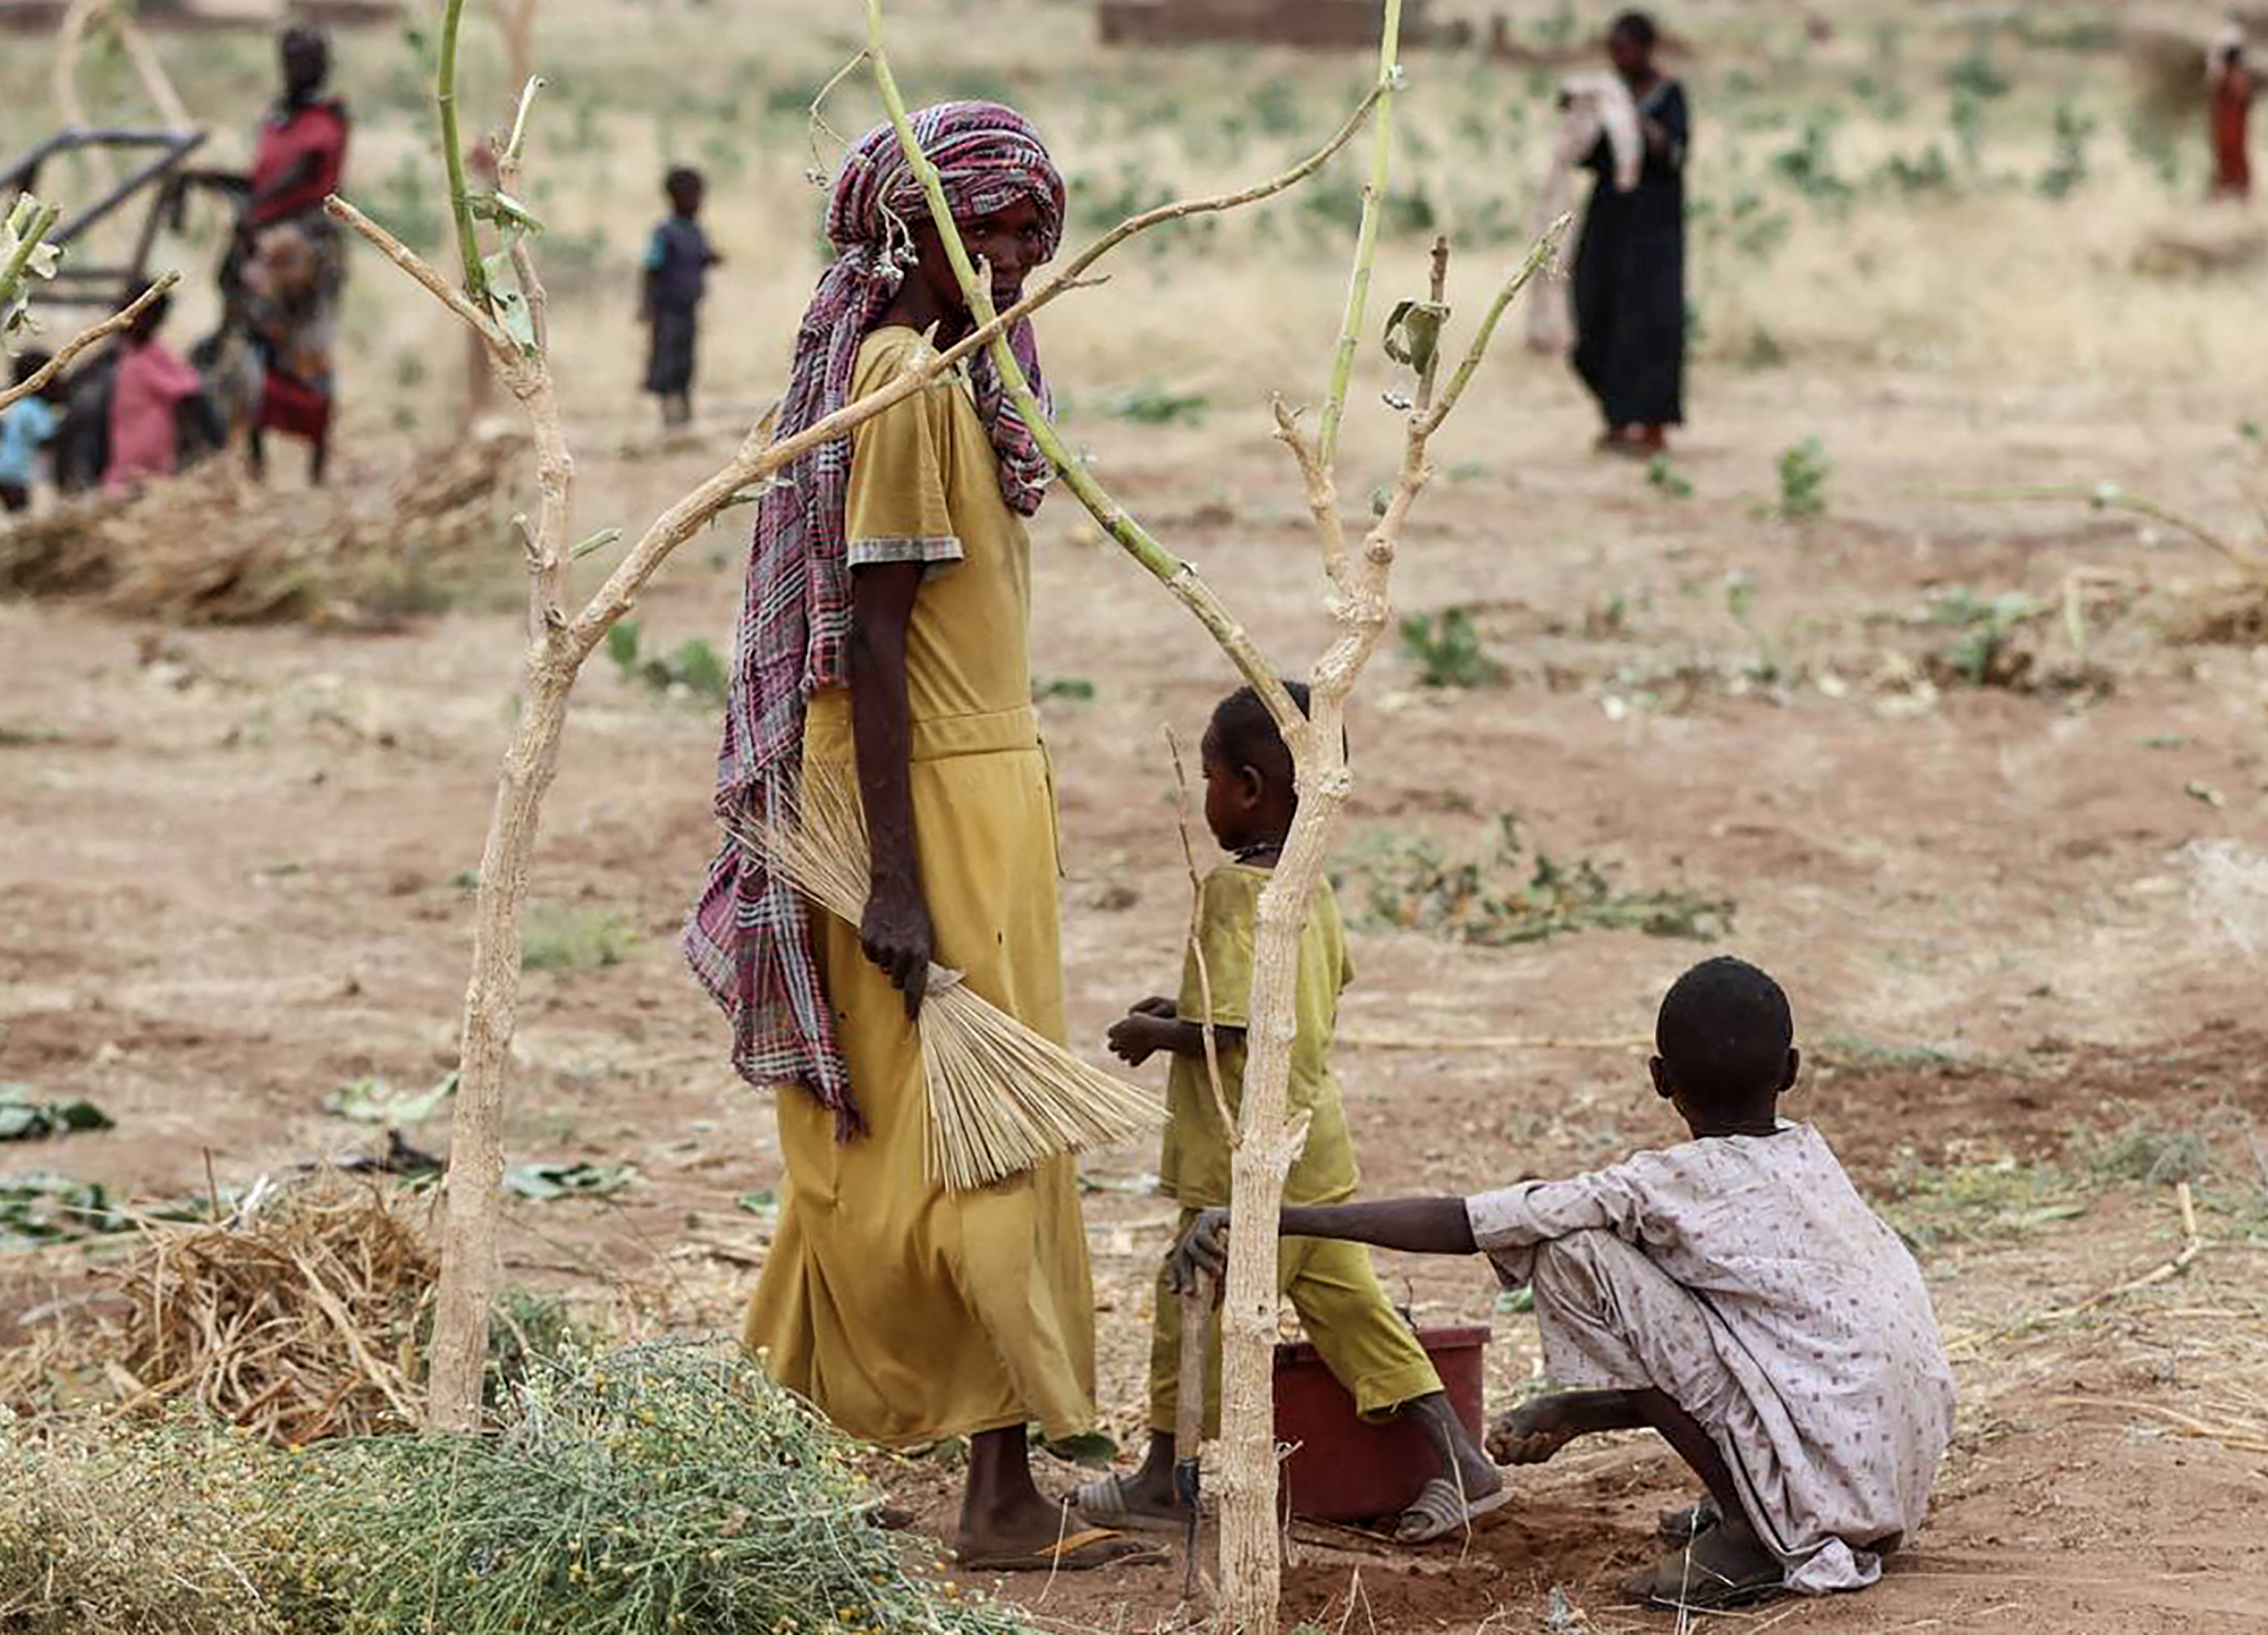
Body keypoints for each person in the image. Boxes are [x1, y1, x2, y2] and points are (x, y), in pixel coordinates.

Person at [683, 103, 1153, 1574]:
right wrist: (895, 877)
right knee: (969, 1139)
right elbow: (875, 644)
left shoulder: (957, 370)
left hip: (976, 784)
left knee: (889, 1144)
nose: (1017, 253)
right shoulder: (901, 384)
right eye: (988, 227)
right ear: (912, 234)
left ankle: (752, 1453)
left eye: (1029, 229)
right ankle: (1000, 1493)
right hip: (922, 799)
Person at [1174, 957, 1955, 1611]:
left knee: (1571, 1253)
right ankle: (1756, 1501)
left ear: (1659, 1079)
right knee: (1647, 1274)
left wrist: (1272, 1216)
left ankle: (1751, 1535)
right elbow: (1752, 1361)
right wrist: (1578, 1412)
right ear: (1791, 1071)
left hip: (1827, 1482)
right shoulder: (1811, 1158)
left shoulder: (1657, 1186)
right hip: (1892, 1481)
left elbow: (1469, 1222)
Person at [1074, 681, 1505, 1543]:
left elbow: (1235, 1029)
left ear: (1246, 787)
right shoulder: (1315, 885)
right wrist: (1182, 1009)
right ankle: (1466, 1462)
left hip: (1249, 1161)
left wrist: (1157, 1033)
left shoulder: (1234, 892)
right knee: (1356, 1316)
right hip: (1317, 1149)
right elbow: (1287, 999)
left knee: (1188, 1305)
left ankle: (1164, 1476)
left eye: (1207, 780)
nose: (1203, 799)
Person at [1570, 10, 1688, 456]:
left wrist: (1633, 122)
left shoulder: (1670, 95)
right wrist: (1586, 116)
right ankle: (1617, 419)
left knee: (1652, 322)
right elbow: (1586, 157)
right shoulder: (1607, 95)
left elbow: (1675, 153)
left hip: (1655, 231)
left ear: (1646, 49)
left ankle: (1653, 426)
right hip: (1609, 224)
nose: (1618, 58)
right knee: (1595, 312)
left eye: (1625, 49)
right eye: (1613, 50)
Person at [239, 25, 349, 482]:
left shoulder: (329, 117)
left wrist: (253, 209)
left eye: (311, 59)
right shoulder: (276, 119)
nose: (303, 68)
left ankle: (316, 466)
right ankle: (256, 459)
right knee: (258, 348)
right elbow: (261, 178)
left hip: (308, 252)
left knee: (311, 351)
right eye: (295, 59)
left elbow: (302, 173)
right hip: (265, 253)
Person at [104, 285, 204, 494]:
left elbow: (187, 384)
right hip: (133, 447)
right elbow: (186, 386)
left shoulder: (149, 352)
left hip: (151, 446)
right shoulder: (131, 357)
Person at [642, 165, 720, 432]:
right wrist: (646, 306)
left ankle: (686, 415)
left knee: (687, 361)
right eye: (693, 196)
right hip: (667, 309)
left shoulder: (696, 231)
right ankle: (669, 416)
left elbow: (701, 257)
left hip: (689, 307)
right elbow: (651, 268)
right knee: (666, 360)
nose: (698, 202)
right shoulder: (664, 232)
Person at [0, 350, 61, 515]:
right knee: (26, 516)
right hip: (16, 476)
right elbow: (46, 438)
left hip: (1, 472)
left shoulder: (20, 404)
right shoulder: (36, 408)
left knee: (17, 516)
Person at [2209, 25, 2253, 201]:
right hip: (2229, 130)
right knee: (2231, 162)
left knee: (2231, 162)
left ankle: (2233, 197)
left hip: (2230, 130)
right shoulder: (2234, 77)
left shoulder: (2233, 78)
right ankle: (2234, 197)